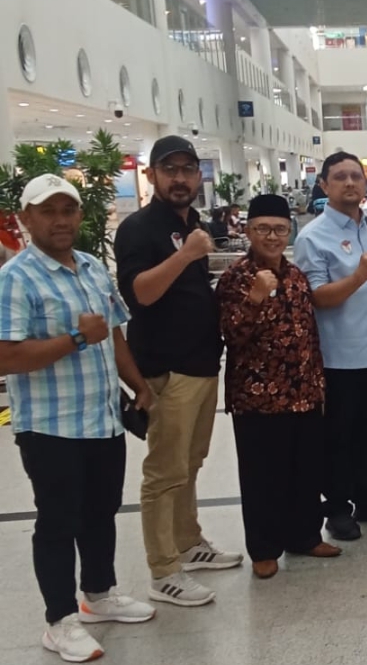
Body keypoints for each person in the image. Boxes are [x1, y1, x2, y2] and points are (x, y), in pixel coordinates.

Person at [0, 175, 157, 662]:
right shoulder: (16, 278)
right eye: (47, 211)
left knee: (101, 511)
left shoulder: (91, 267)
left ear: (80, 216)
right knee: (57, 521)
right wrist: (75, 339)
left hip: (101, 418)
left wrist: (138, 384)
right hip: (50, 426)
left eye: (67, 210)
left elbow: (113, 334)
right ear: (26, 219)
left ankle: (99, 594)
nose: (60, 220)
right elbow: (6, 357)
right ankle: (60, 621)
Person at [115, 136, 241, 608]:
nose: (181, 178)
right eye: (170, 170)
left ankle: (188, 542)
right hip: (166, 369)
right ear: (151, 176)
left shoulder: (193, 224)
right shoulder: (139, 228)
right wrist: (186, 254)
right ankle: (163, 569)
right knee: (164, 472)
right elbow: (140, 294)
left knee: (191, 462)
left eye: (189, 169)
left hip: (202, 364)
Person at [217, 195, 342, 579]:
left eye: (280, 229)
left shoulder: (296, 275)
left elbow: (309, 334)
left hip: (303, 393)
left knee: (305, 471)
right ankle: (264, 548)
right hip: (257, 398)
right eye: (263, 229)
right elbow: (231, 336)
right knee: (262, 477)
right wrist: (255, 297)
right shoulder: (235, 278)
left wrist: (318, 384)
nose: (272, 237)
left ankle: (304, 536)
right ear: (248, 231)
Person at [294, 152, 367, 540]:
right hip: (340, 357)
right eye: (340, 177)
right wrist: (357, 277)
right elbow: (316, 297)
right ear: (324, 185)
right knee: (339, 436)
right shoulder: (312, 237)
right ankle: (338, 508)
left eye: (356, 176)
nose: (350, 182)